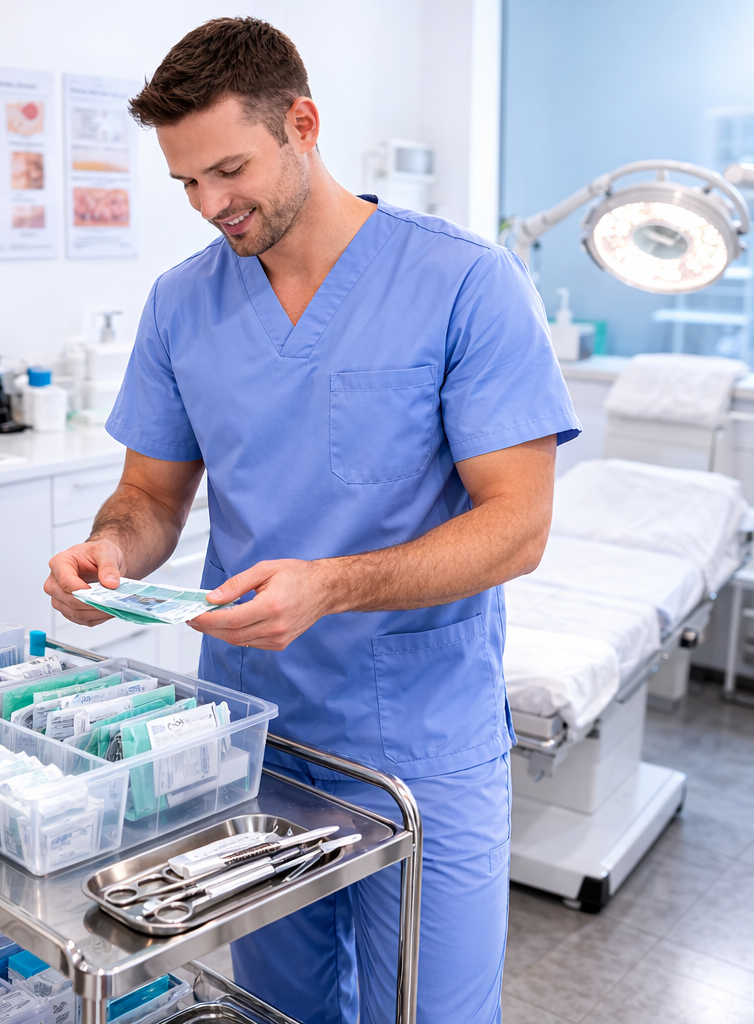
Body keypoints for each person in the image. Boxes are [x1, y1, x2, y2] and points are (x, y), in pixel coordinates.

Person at [45, 16, 580, 1024]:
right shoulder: (180, 305)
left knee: (429, 1009)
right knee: (279, 1008)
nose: (210, 206)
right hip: (250, 732)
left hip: (418, 738)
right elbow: (151, 498)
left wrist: (330, 585)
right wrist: (108, 552)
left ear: (302, 123)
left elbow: (518, 526)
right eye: (186, 184)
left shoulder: (462, 283)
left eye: (229, 170)